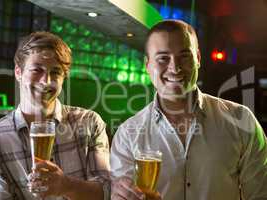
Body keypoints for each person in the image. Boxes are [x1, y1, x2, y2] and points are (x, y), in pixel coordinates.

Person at [110, 19, 267, 200]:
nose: (175, 68)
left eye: (184, 56)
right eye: (163, 58)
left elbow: (260, 194)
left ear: (198, 59)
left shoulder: (241, 120)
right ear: (147, 65)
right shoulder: (127, 135)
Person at [0, 31, 110, 200]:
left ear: (63, 78)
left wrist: (66, 186)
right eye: (37, 69)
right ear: (18, 72)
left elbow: (107, 192)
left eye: (55, 72)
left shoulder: (90, 122)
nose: (46, 81)